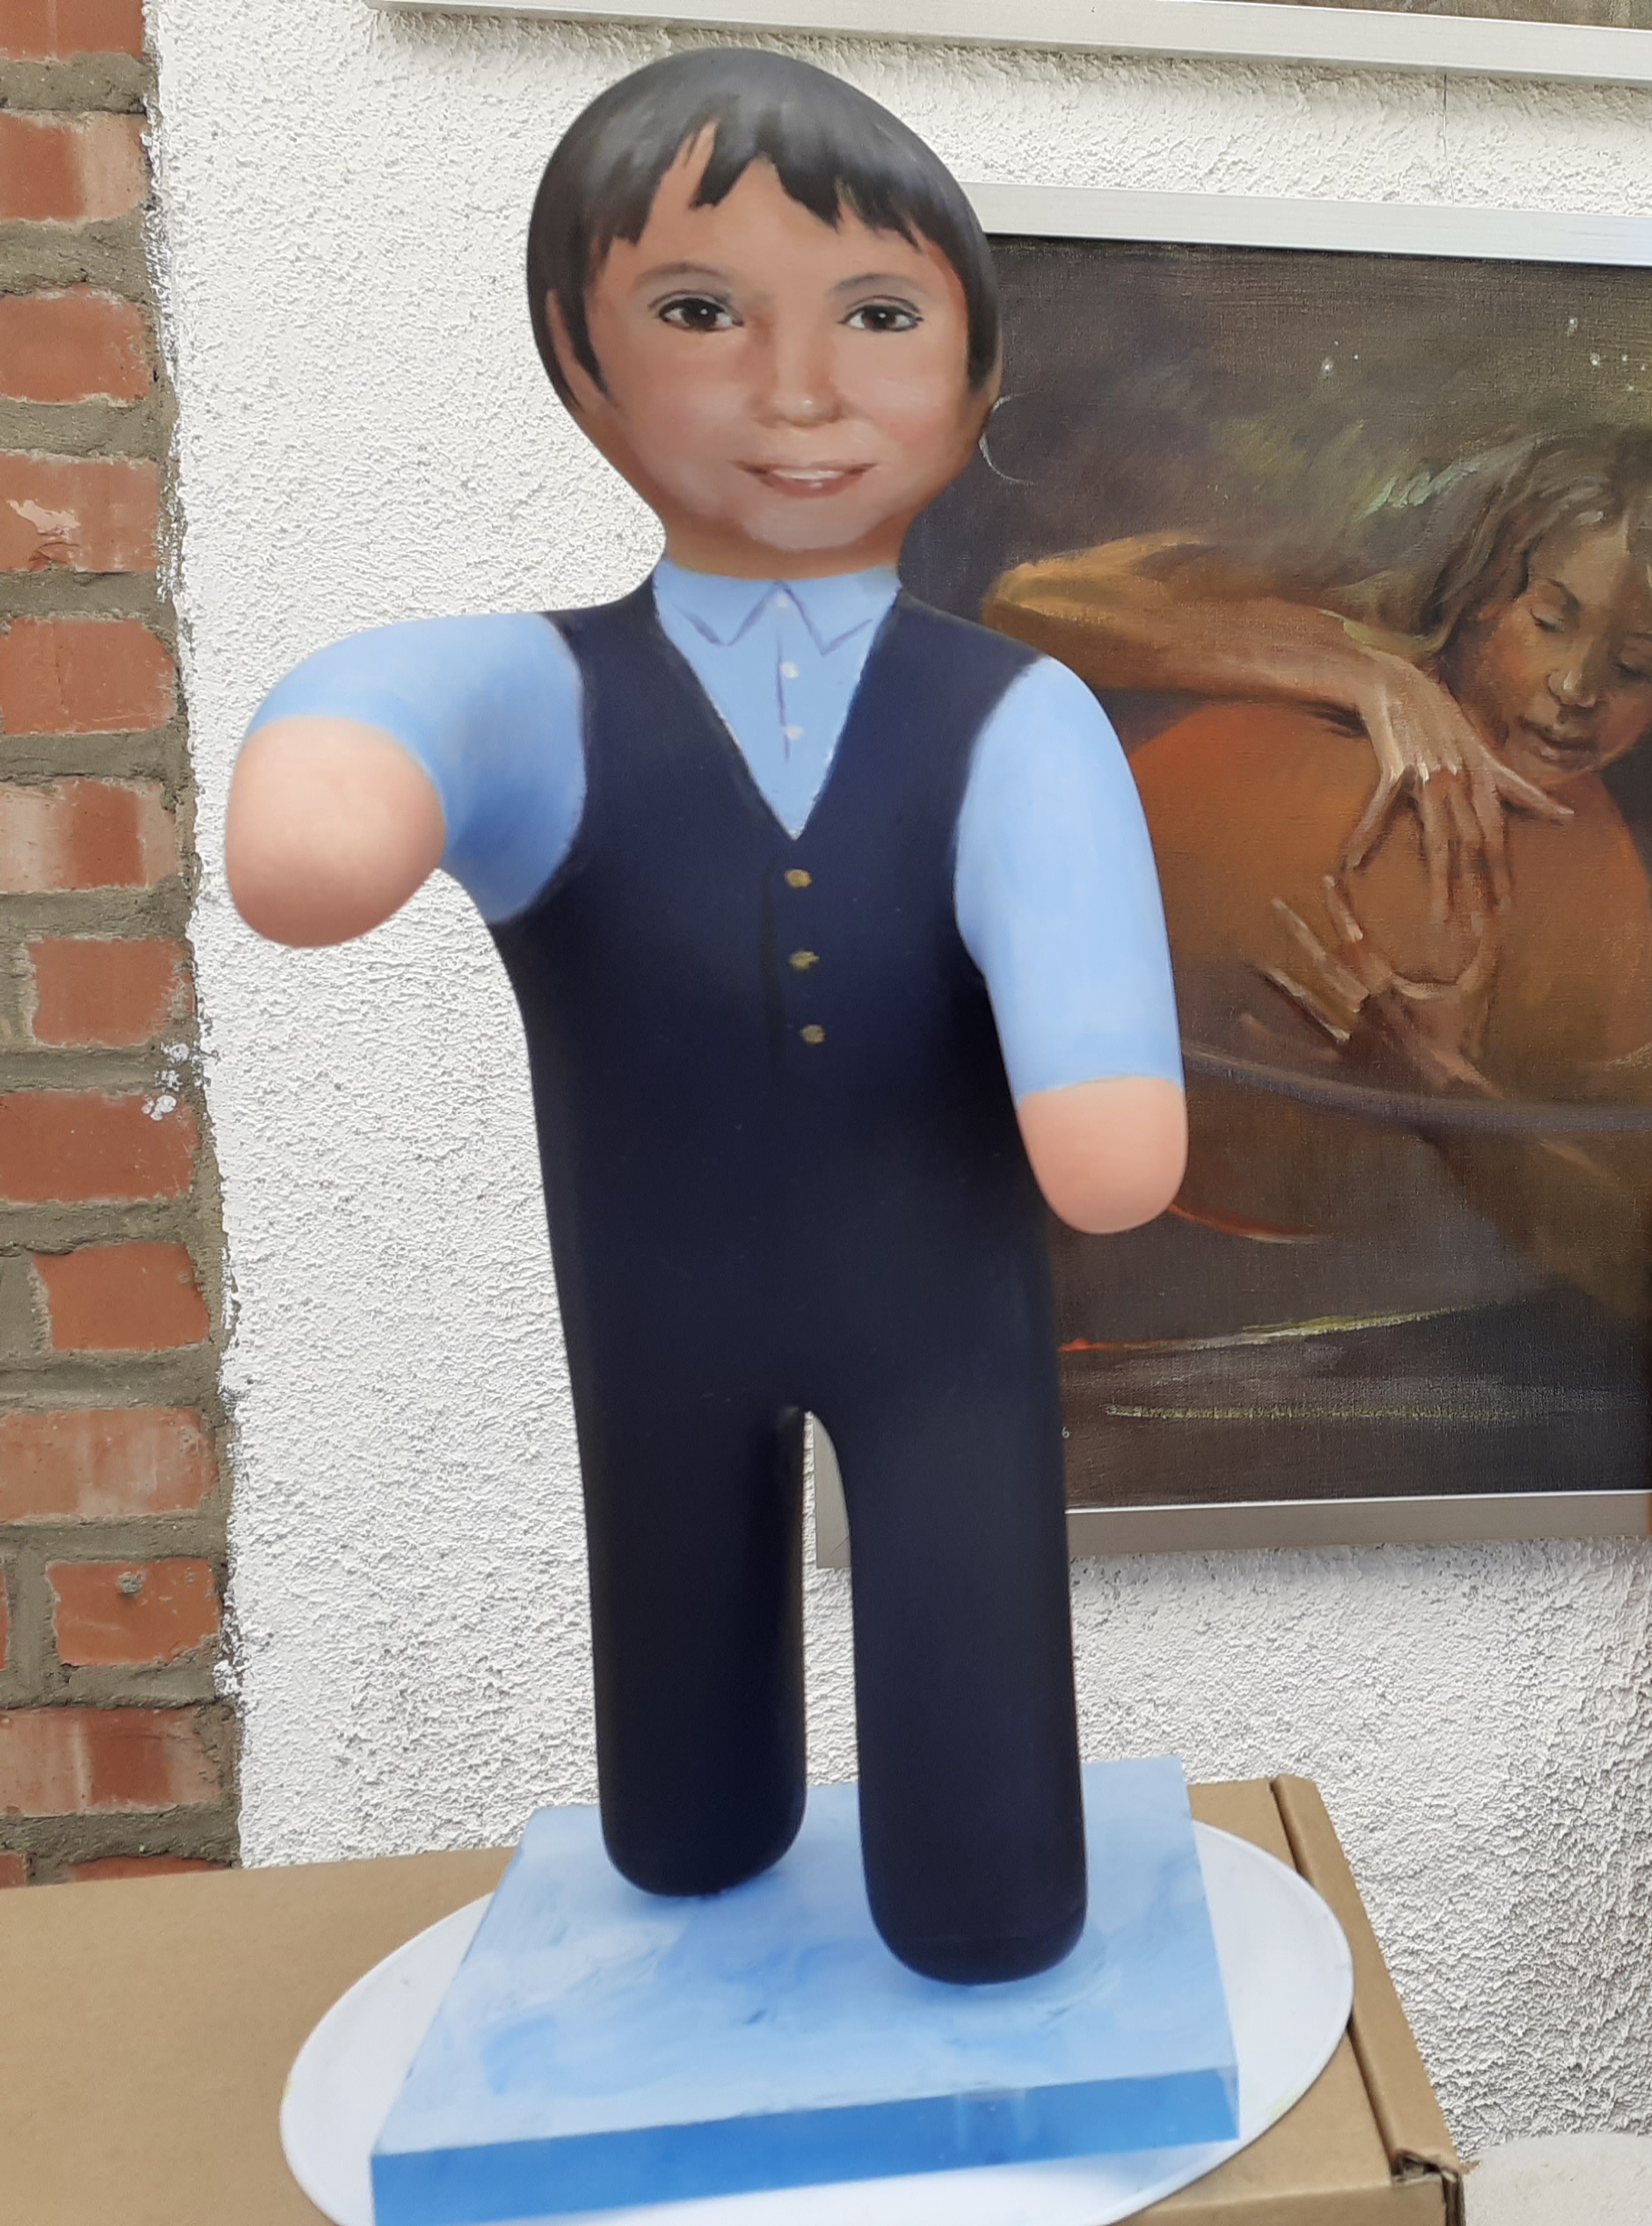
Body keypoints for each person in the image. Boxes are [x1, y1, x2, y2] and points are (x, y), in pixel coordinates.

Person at [222, 50, 1183, 1984]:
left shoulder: (1016, 718)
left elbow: (1110, 1133)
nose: (797, 388)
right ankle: (701, 1798)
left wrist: (1091, 1031)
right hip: (651, 1317)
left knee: (985, 1869)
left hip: (943, 1334)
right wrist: (341, 752)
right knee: (678, 1816)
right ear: (579, 363)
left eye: (878, 317)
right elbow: (380, 734)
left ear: (977, 379)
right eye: (699, 312)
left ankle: (977, 1863)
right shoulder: (544, 697)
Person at [987, 426, 1652, 1310]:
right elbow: (1021, 607)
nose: (1576, 688)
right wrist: (1367, 675)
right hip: (1034, 1164)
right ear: (1484, 593)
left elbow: (1650, 1259)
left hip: (1313, 1304)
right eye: (1550, 621)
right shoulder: (1342, 631)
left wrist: (1435, 1087)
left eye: (1638, 667)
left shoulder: (1643, 904)